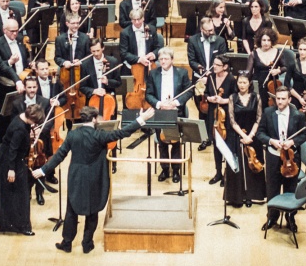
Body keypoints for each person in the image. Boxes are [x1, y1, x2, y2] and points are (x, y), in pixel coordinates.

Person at [34, 105, 154, 253]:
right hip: (94, 177)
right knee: (92, 211)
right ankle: (87, 244)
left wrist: (43, 170)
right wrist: (141, 119)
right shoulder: (100, 136)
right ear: (94, 119)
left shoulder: (72, 135)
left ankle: (67, 243)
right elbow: (123, 133)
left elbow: (59, 155)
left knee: (71, 211)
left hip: (76, 177)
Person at [257, 87, 306, 231]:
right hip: (274, 156)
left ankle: (290, 218)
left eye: (283, 99)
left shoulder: (297, 115)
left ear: (289, 99)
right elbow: (260, 133)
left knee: (290, 189)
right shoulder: (268, 113)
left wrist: (292, 142)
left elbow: (305, 134)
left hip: (292, 158)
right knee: (272, 188)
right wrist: (271, 141)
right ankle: (272, 217)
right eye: (278, 99)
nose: (279, 102)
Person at [0, 103, 43, 235]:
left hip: (10, 158)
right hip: (9, 161)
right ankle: (21, 225)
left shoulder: (21, 117)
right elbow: (13, 150)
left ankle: (7, 221)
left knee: (12, 192)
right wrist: (11, 169)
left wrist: (31, 133)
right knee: (21, 193)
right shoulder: (19, 129)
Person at [145, 48, 192, 183]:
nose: (163, 62)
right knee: (162, 142)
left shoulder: (182, 73)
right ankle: (165, 169)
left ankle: (176, 170)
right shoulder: (153, 74)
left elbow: (188, 92)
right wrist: (159, 104)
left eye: (166, 59)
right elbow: (148, 94)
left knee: (175, 142)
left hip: (176, 111)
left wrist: (175, 103)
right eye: (161, 59)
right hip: (160, 111)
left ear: (172, 59)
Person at [224, 72, 266, 206]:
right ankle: (238, 196)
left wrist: (250, 136)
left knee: (253, 165)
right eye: (240, 82)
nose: (242, 85)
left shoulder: (257, 97)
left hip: (253, 136)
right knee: (238, 167)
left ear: (249, 84)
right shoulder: (232, 97)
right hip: (237, 135)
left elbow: (259, 118)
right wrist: (243, 136)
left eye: (244, 82)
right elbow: (231, 120)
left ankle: (253, 195)